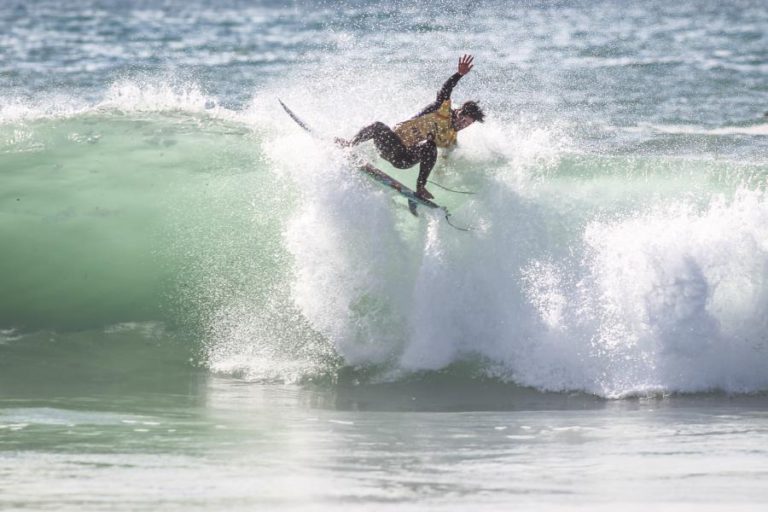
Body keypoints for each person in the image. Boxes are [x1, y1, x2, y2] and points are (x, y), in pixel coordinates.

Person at [336, 54, 484, 200]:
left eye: (467, 124)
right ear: (458, 111)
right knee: (377, 126)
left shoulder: (451, 137)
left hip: (404, 158)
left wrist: (442, 176)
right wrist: (458, 74)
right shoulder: (442, 109)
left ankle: (420, 187)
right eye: (463, 119)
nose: (462, 124)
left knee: (430, 146)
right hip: (389, 145)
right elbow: (445, 90)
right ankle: (350, 145)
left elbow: (445, 159)